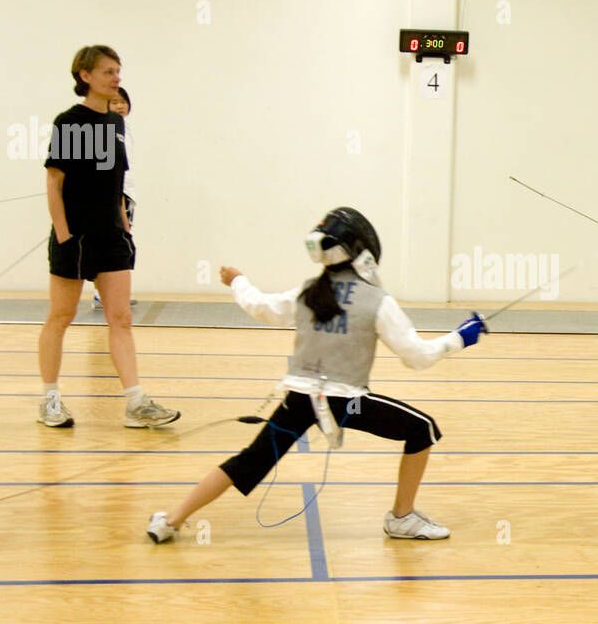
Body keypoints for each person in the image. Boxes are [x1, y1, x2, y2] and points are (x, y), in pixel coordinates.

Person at [147, 207, 486, 542]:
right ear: (364, 251)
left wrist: (238, 280)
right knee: (422, 429)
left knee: (249, 460)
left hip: (298, 399)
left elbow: (261, 306)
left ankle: (171, 521)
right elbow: (417, 357)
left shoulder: (309, 291)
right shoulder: (377, 301)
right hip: (346, 402)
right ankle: (401, 517)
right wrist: (461, 338)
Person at [37, 44, 179, 429]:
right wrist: (64, 234)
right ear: (85, 76)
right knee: (61, 316)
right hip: (76, 238)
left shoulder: (115, 124)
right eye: (108, 72)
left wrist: (123, 224)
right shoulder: (69, 121)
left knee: (121, 317)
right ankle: (50, 400)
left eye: (118, 71)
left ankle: (136, 403)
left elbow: (113, 180)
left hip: (111, 237)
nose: (117, 78)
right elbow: (55, 181)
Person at [96, 87, 136, 309]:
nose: (120, 106)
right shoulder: (106, 131)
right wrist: (117, 200)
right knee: (113, 243)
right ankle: (103, 294)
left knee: (124, 241)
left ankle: (112, 294)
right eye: (114, 102)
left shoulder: (124, 129)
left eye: (123, 101)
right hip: (115, 196)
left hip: (127, 194)